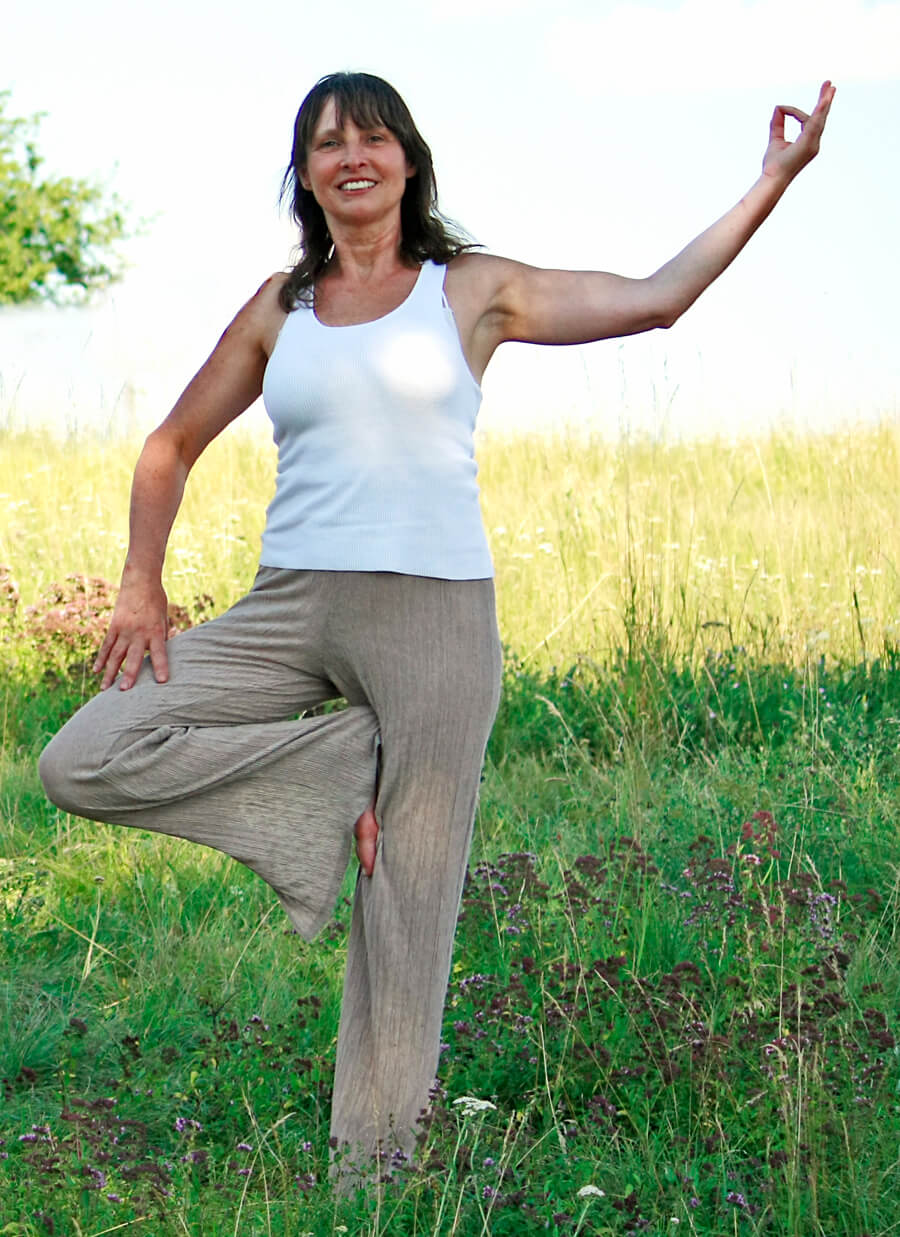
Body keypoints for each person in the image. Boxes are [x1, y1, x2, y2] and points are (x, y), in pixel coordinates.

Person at [39, 71, 835, 1178]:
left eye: (371, 139)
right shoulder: (282, 308)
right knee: (84, 755)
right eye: (326, 144)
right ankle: (337, 772)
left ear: (408, 161)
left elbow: (657, 295)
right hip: (289, 604)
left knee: (405, 911)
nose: (350, 157)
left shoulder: (471, 291)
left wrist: (773, 180)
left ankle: (372, 1178)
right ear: (304, 174)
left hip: (433, 614)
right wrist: (140, 581)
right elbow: (170, 443)